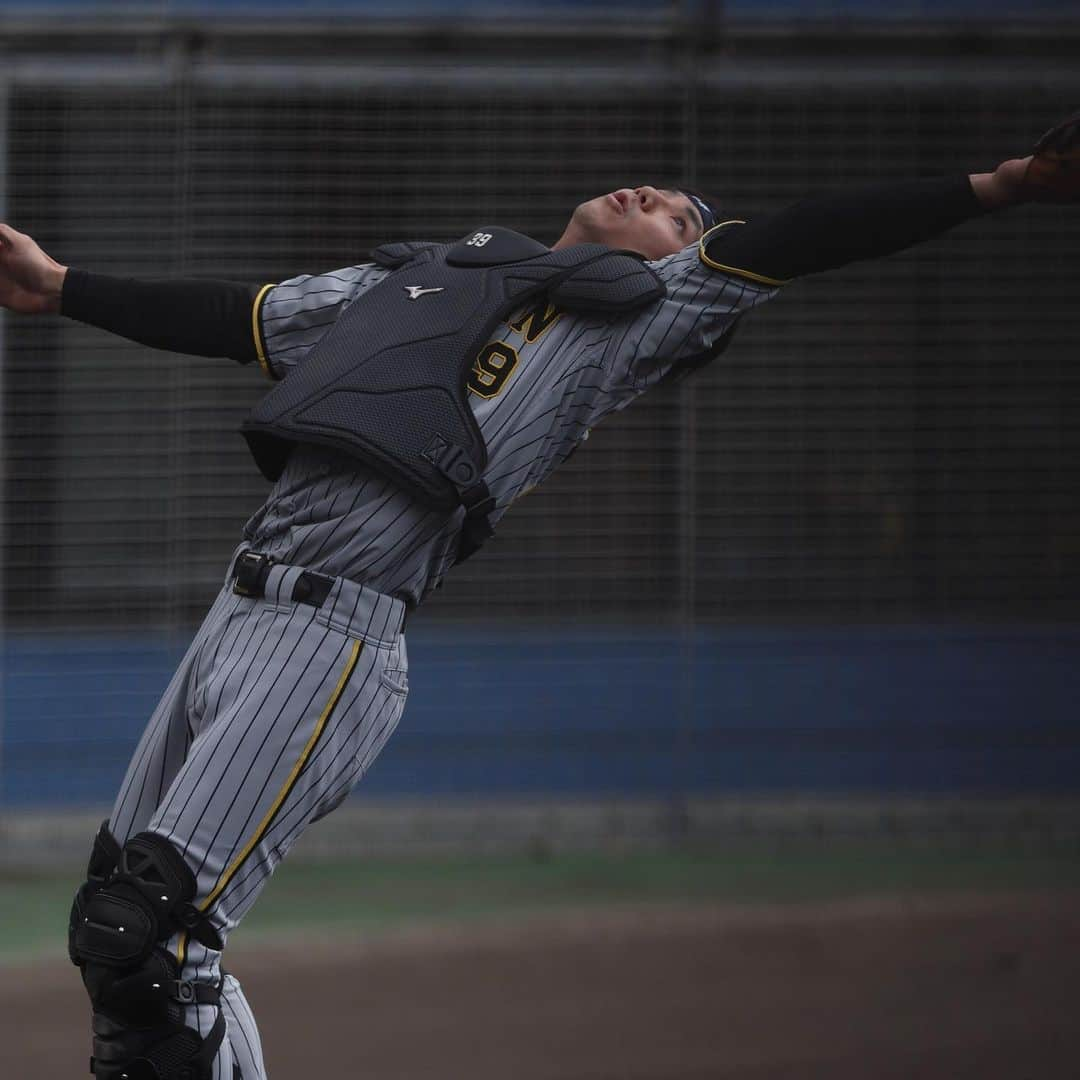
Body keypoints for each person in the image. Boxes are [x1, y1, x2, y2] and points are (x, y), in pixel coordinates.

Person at [0, 114, 1076, 1080]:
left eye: (676, 214)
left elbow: (802, 236)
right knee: (123, 943)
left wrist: (1001, 183)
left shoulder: (639, 320)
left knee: (149, 938)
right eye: (651, 187)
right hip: (236, 610)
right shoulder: (427, 279)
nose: (649, 198)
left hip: (332, 634)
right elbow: (243, 315)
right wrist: (59, 288)